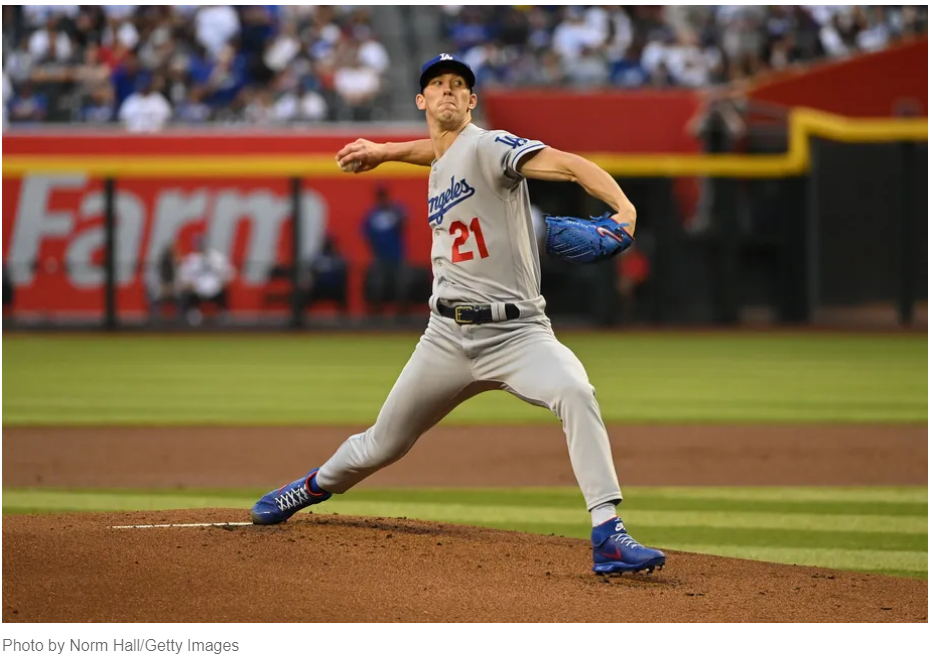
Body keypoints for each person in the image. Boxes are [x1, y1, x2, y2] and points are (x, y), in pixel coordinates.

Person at [250, 54, 665, 576]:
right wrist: (384, 151)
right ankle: (310, 487)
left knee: (576, 392)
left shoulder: (490, 145)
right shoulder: (446, 156)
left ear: (471, 102)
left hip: (518, 334)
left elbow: (566, 164)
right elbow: (438, 151)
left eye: (459, 85)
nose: (449, 90)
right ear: (422, 100)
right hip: (445, 336)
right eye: (437, 84)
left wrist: (622, 208)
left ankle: (608, 530)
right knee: (383, 443)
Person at [362, 184, 408, 316]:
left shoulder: (396, 211)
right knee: (377, 285)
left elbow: (404, 223)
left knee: (400, 284)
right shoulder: (372, 215)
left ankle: (402, 315)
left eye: (384, 196)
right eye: (380, 196)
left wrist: (394, 211)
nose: (382, 199)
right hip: (379, 257)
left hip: (397, 256)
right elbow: (366, 234)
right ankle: (377, 315)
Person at [177, 235, 235, 326]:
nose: (201, 245)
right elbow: (183, 277)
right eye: (199, 243)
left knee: (224, 294)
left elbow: (230, 272)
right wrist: (188, 284)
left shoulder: (217, 257)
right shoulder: (190, 259)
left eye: (202, 243)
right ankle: (192, 316)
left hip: (216, 290)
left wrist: (224, 281)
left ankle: (223, 315)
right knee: (186, 294)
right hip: (196, 291)